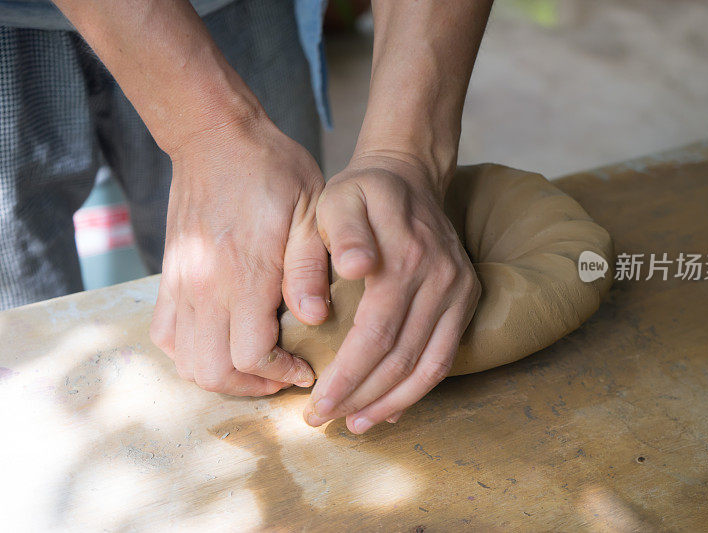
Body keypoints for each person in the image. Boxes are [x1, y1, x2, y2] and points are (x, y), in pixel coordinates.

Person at [0, 0, 492, 434]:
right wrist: (209, 132)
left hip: (231, 9)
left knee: (276, 298)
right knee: (23, 363)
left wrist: (406, 154)